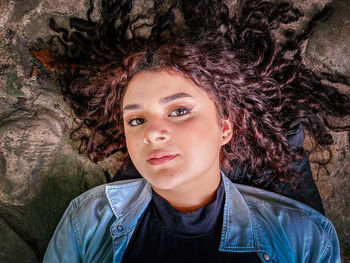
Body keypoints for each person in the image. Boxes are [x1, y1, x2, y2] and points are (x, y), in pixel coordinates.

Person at [41, 0, 350, 262]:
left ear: (225, 127)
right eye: (136, 120)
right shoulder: (85, 221)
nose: (151, 133)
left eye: (179, 111)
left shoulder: (305, 237)